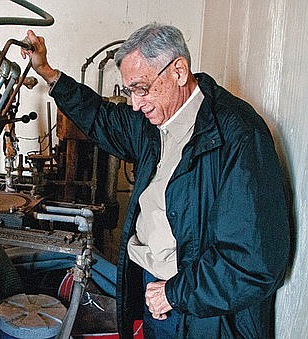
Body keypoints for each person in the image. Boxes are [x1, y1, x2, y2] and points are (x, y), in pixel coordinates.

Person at [21, 23, 290, 338]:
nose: (135, 104)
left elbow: (254, 261)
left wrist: (174, 293)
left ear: (178, 71)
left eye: (141, 88)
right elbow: (101, 118)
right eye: (130, 91)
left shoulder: (239, 135)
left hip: (202, 310)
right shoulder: (156, 123)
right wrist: (48, 72)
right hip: (157, 289)